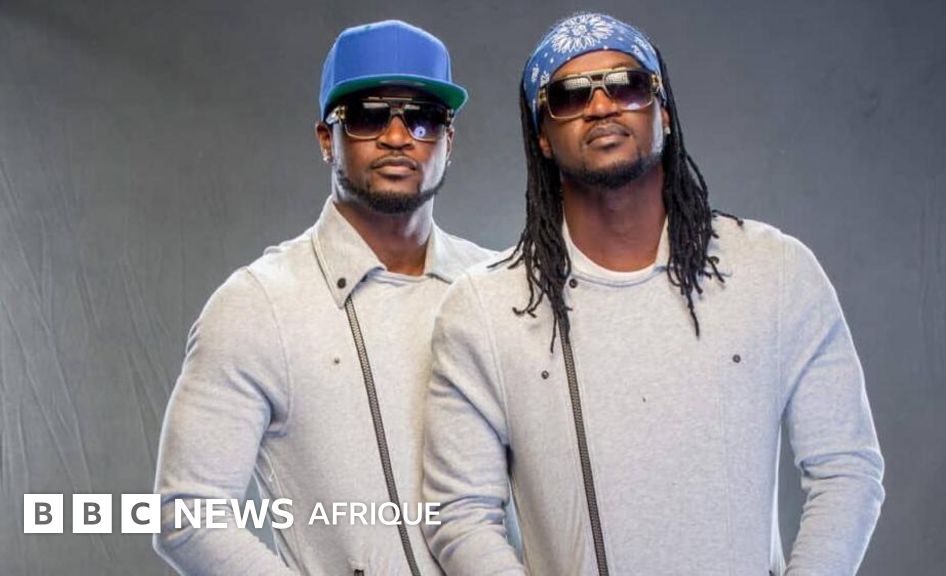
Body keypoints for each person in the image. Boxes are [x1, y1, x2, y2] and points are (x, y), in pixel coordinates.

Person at [421, 12, 884, 576]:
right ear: (541, 136)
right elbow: (459, 515)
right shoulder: (484, 310)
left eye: (627, 85)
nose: (601, 106)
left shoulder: (775, 270)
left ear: (662, 109)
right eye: (569, 96)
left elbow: (846, 470)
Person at [153, 19, 492, 575]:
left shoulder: (498, 286)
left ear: (448, 142)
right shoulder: (258, 304)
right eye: (367, 116)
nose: (397, 136)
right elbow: (186, 514)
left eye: (424, 117)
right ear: (325, 139)